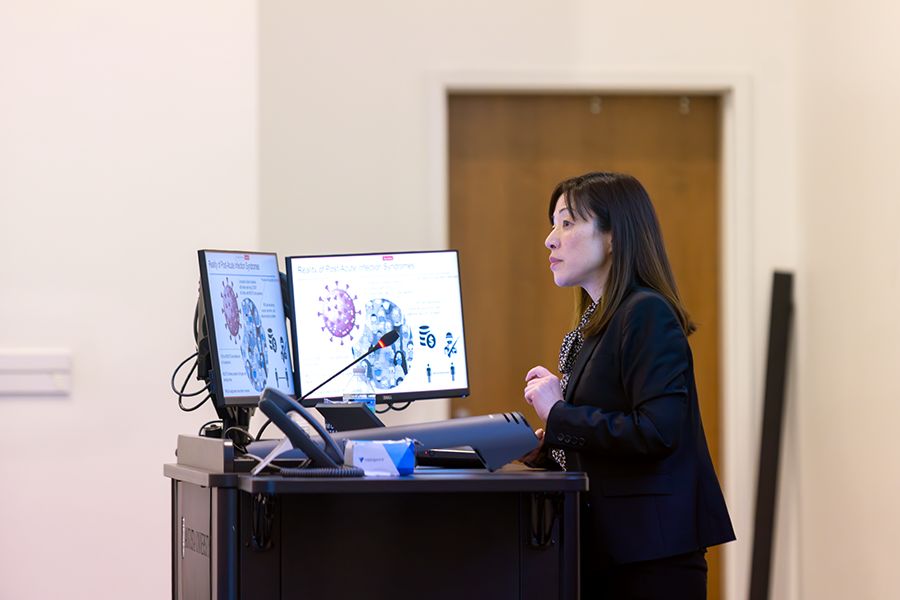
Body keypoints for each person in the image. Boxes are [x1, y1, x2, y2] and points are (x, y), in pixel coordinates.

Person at [521, 172, 735, 599]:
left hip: (649, 559)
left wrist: (559, 413)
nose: (550, 239)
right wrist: (549, 447)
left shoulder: (646, 312)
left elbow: (656, 431)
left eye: (567, 223)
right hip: (608, 550)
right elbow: (609, 436)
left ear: (614, 236)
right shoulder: (596, 322)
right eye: (552, 223)